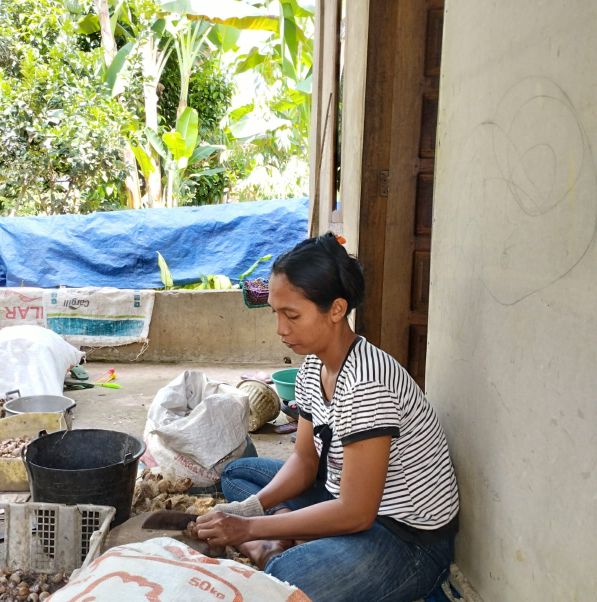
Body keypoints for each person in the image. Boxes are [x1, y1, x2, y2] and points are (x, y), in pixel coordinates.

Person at [195, 233, 460, 602]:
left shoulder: (367, 383)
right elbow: (305, 460)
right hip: (339, 495)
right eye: (276, 313)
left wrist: (249, 528)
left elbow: (356, 512)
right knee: (237, 475)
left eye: (292, 315)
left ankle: (283, 545)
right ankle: (289, 537)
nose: (280, 329)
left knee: (287, 576)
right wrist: (249, 510)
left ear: (336, 310)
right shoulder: (313, 368)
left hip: (404, 539)